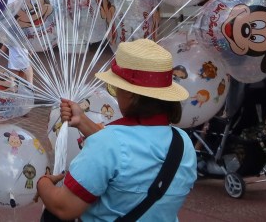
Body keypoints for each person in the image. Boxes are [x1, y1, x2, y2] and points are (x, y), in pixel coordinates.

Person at [36, 39, 196, 221]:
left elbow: (64, 207)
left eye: (116, 88)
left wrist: (43, 183)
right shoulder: (184, 143)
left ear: (129, 93)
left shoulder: (108, 144)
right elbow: (129, 152)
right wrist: (82, 121)